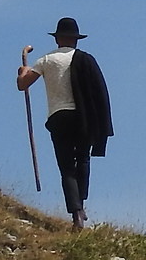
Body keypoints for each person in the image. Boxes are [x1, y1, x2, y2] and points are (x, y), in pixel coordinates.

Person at [15, 17, 113, 229]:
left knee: (66, 167)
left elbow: (23, 85)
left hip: (59, 117)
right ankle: (81, 204)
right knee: (83, 160)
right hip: (83, 117)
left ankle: (76, 212)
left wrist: (21, 72)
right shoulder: (85, 59)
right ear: (75, 40)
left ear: (58, 38)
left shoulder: (46, 60)